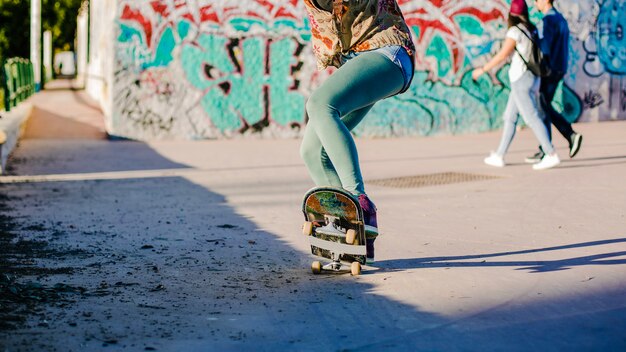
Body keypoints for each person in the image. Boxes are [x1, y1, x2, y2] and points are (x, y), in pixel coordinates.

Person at [300, 0, 415, 263]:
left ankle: (358, 202)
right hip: (361, 61)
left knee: (320, 104)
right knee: (312, 150)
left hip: (388, 53)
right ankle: (348, 229)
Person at [472, 0, 560, 170]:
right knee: (510, 117)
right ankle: (499, 155)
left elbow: (502, 55)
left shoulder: (515, 31)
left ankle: (551, 154)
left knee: (531, 117)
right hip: (533, 78)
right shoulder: (531, 28)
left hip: (521, 79)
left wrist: (482, 69)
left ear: (510, 14)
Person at [525, 0, 582, 163]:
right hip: (559, 67)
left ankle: (569, 135)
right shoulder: (560, 18)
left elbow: (545, 47)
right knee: (544, 105)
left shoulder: (548, 21)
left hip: (549, 69)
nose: (536, 3)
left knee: (543, 106)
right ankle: (545, 147)